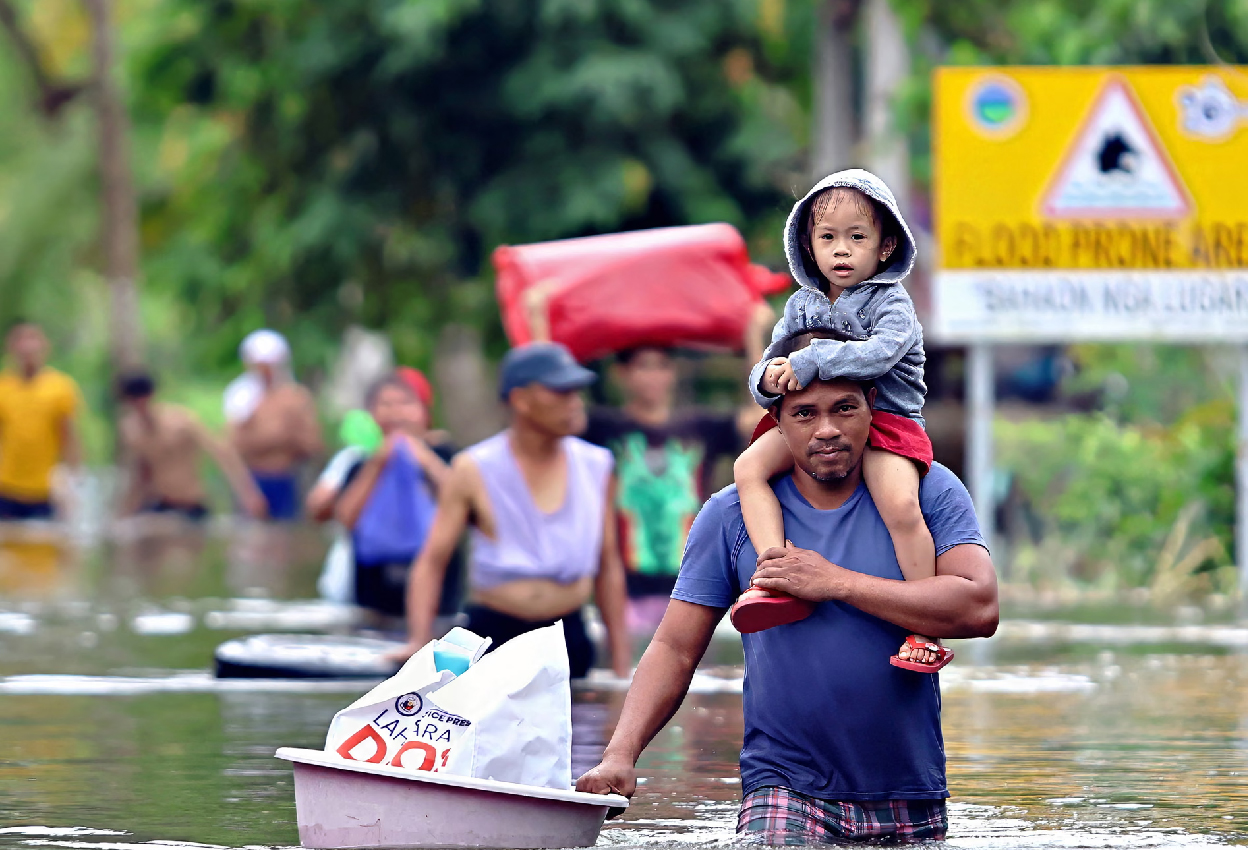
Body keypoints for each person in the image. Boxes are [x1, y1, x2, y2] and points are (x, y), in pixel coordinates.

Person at [576, 375, 999, 844]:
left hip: (908, 787)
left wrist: (835, 582)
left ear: (873, 406)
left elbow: (978, 607)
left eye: (844, 408)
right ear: (775, 420)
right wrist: (620, 753)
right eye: (804, 414)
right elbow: (675, 647)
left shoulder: (925, 488)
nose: (827, 429)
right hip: (782, 785)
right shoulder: (730, 515)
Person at [732, 169, 944, 670]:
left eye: (857, 237)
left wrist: (809, 363)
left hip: (886, 420)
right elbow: (770, 361)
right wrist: (766, 382)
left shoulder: (891, 302)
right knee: (747, 469)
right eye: (828, 238)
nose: (842, 251)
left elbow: (880, 354)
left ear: (886, 246)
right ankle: (774, 574)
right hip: (816, 422)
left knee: (900, 505)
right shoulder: (802, 304)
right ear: (808, 245)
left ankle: (924, 627)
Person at [390, 342, 631, 679]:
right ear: (520, 400)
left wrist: (621, 667)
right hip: (493, 634)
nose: (575, 403)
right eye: (560, 392)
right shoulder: (473, 467)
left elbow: (608, 566)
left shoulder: (597, 465)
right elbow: (432, 560)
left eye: (577, 392)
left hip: (567, 636)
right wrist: (417, 641)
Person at [580, 304, 775, 632]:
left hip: (692, 587)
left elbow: (760, 421)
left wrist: (753, 338)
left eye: (662, 366)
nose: (654, 376)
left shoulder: (700, 427)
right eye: (643, 367)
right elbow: (550, 402)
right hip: (623, 592)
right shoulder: (603, 429)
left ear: (674, 372)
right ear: (621, 374)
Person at [306, 372, 456, 618]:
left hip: (438, 599)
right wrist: (377, 464)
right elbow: (345, 518)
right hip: (371, 596)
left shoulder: (445, 455)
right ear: (371, 414)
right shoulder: (359, 462)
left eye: (406, 403)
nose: (396, 413)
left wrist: (424, 459)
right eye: (386, 404)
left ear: (424, 413)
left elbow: (461, 504)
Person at [116, 371, 267, 521]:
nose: (139, 405)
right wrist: (126, 510)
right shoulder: (131, 431)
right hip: (159, 504)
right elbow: (141, 475)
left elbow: (222, 454)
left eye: (141, 399)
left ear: (151, 396)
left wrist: (249, 495)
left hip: (190, 503)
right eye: (133, 401)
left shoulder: (180, 422)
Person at [225, 329, 324, 520]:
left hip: (288, 479)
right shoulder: (240, 397)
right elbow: (234, 446)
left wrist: (284, 437)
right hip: (253, 479)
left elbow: (312, 443)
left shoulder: (295, 397)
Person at [0, 320, 82, 520]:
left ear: (45, 346)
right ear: (10, 347)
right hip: (6, 487)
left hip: (45, 491)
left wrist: (74, 481)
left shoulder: (61, 388)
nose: (27, 346)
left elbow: (68, 437)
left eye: (33, 338)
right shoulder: (3, 388)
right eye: (20, 339)